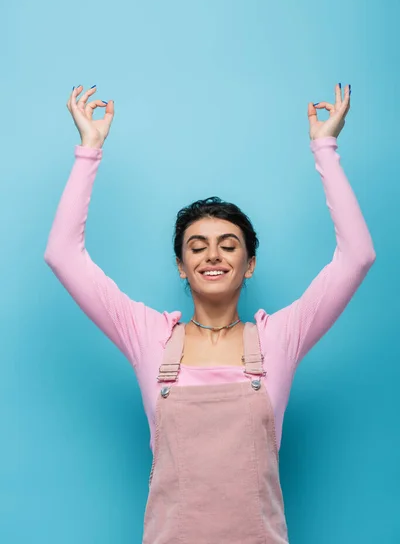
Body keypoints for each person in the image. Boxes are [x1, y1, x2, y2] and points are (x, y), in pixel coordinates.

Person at [44, 83, 376, 543]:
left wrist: (325, 146)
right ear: (182, 267)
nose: (213, 257)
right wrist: (89, 149)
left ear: (250, 263)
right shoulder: (149, 337)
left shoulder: (279, 338)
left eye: (229, 246)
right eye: (196, 248)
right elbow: (63, 254)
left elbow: (357, 256)